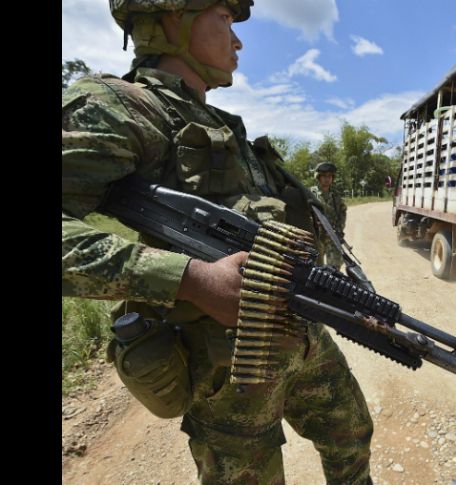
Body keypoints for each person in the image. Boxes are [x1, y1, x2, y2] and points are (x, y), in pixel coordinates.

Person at [62, 1, 373, 483]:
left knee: (352, 438)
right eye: (224, 19)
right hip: (228, 367)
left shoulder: (226, 127)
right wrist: (194, 279)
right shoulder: (120, 107)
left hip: (299, 334)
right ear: (170, 19)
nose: (238, 39)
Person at [310, 162, 347, 270]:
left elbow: (342, 213)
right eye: (324, 176)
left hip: (333, 237)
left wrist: (339, 229)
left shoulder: (336, 196)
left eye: (330, 176)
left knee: (335, 269)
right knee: (315, 268)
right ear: (318, 177)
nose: (327, 179)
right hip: (317, 237)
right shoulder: (311, 193)